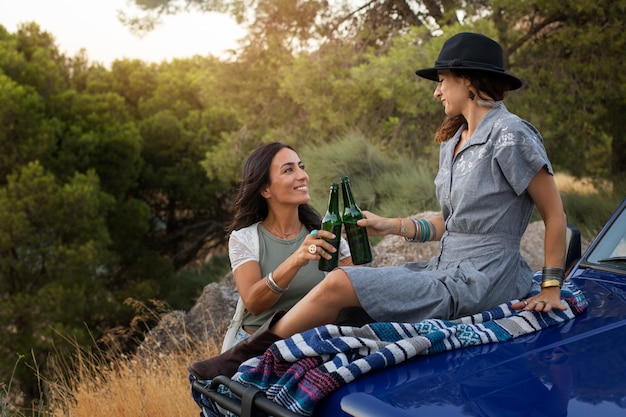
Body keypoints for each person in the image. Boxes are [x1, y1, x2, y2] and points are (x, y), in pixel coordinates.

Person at [187, 32, 568, 381]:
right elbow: (449, 224)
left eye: (442, 82)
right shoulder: (451, 143)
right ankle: (276, 359)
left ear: (466, 80)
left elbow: (554, 214)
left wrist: (551, 287)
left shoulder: (510, 135)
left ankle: (244, 356)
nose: (438, 93)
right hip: (442, 270)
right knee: (351, 309)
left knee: (339, 280)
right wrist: (390, 225)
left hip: (485, 278)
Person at [192, 142, 352, 362]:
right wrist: (296, 259)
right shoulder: (245, 238)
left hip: (312, 346)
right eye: (289, 170)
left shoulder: (325, 231)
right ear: (265, 189)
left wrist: (354, 241)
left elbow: (355, 287)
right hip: (258, 351)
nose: (302, 176)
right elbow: (254, 303)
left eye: (301, 167)